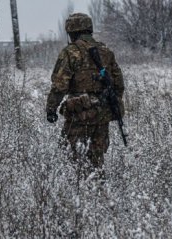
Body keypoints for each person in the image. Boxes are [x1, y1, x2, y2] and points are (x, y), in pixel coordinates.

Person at [46, 13, 125, 179]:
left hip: (79, 113)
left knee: (71, 155)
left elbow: (60, 85)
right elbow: (118, 84)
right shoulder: (105, 51)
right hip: (102, 114)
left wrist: (51, 108)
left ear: (72, 32)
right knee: (97, 158)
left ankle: (79, 194)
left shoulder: (70, 52)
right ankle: (98, 193)